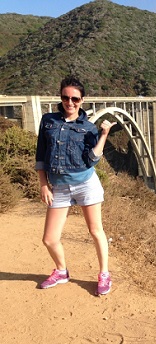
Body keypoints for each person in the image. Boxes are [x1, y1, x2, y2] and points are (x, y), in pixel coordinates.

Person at [35, 76, 116, 295]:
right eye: (65, 97)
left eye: (75, 99)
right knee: (49, 239)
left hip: (86, 184)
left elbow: (92, 159)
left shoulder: (88, 128)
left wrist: (104, 135)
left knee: (95, 231)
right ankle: (61, 271)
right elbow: (41, 154)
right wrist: (43, 184)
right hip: (58, 188)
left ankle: (104, 274)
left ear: (82, 100)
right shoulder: (48, 121)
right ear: (60, 97)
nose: (70, 102)